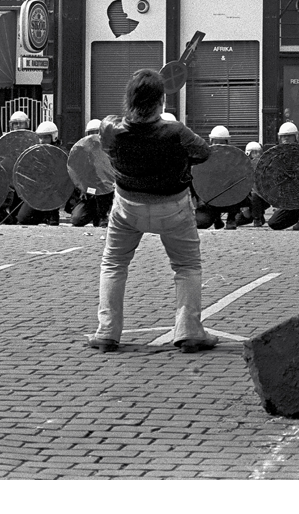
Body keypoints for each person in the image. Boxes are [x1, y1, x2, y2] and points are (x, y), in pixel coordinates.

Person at [90, 67, 215, 353]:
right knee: (186, 266)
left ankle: (107, 331)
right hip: (173, 206)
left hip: (127, 206)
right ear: (161, 102)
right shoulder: (176, 132)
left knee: (114, 264)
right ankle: (189, 331)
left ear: (129, 100)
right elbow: (204, 152)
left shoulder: (112, 129)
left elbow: (107, 141)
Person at [70, 120, 114, 228]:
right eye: (91, 133)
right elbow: (76, 174)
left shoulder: (110, 152)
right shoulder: (81, 154)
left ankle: (104, 215)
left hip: (107, 195)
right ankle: (96, 214)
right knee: (77, 219)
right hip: (89, 195)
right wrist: (82, 189)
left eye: (96, 132)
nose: (93, 136)